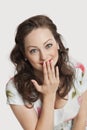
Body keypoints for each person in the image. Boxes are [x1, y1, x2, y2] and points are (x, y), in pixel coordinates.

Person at [6, 14, 87, 130]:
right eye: (33, 50)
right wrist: (49, 95)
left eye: (48, 45)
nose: (44, 57)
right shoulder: (15, 88)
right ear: (24, 55)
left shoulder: (77, 69)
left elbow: (81, 118)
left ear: (57, 43)